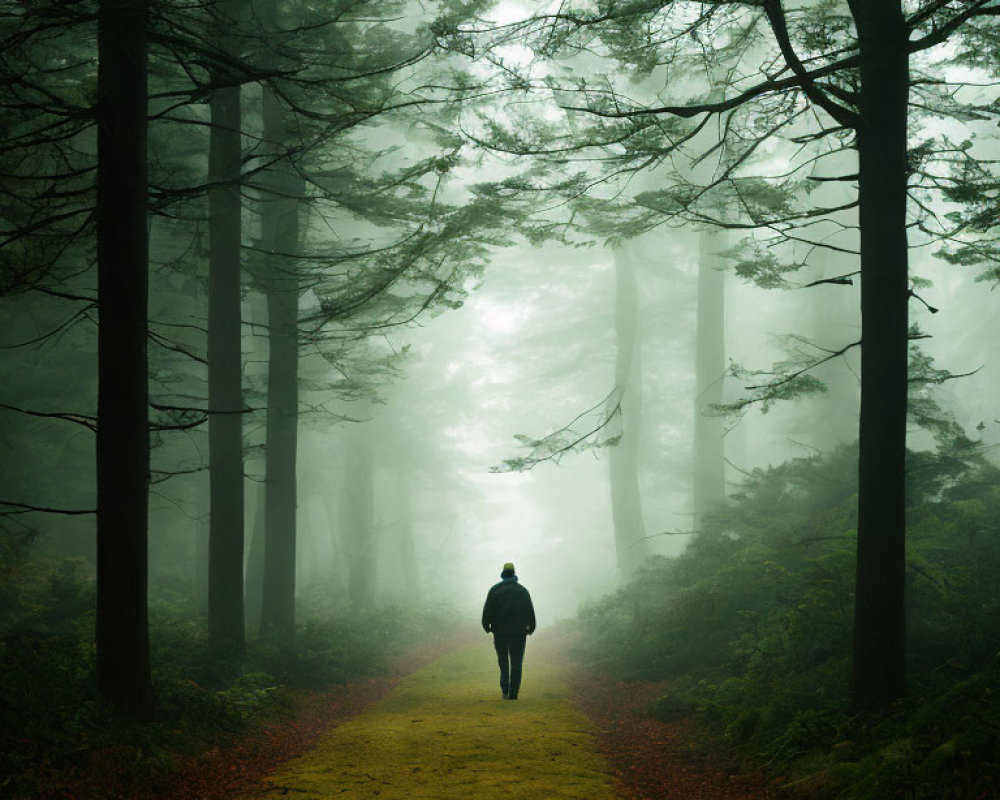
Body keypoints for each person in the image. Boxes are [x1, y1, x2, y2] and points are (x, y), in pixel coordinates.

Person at [481, 561, 536, 700]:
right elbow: (530, 611)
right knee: (517, 663)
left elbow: (488, 610)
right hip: (519, 633)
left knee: (503, 662)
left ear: (503, 573)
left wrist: (487, 626)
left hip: (500, 632)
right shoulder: (522, 591)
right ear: (514, 573)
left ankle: (505, 690)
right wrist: (531, 628)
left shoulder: (495, 590)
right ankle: (514, 693)